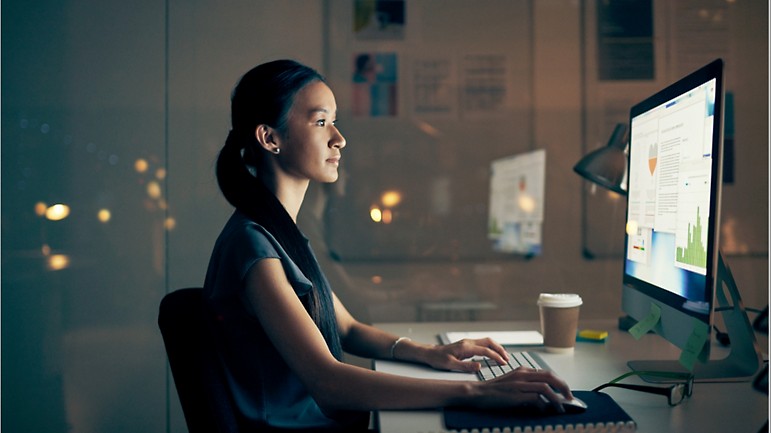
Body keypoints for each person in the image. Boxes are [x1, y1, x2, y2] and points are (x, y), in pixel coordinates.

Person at [204, 59, 574, 431]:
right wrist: (476, 392)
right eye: (320, 122)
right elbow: (328, 383)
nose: (339, 137)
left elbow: (346, 328)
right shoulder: (253, 246)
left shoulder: (279, 233)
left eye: (335, 120)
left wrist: (432, 353)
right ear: (270, 138)